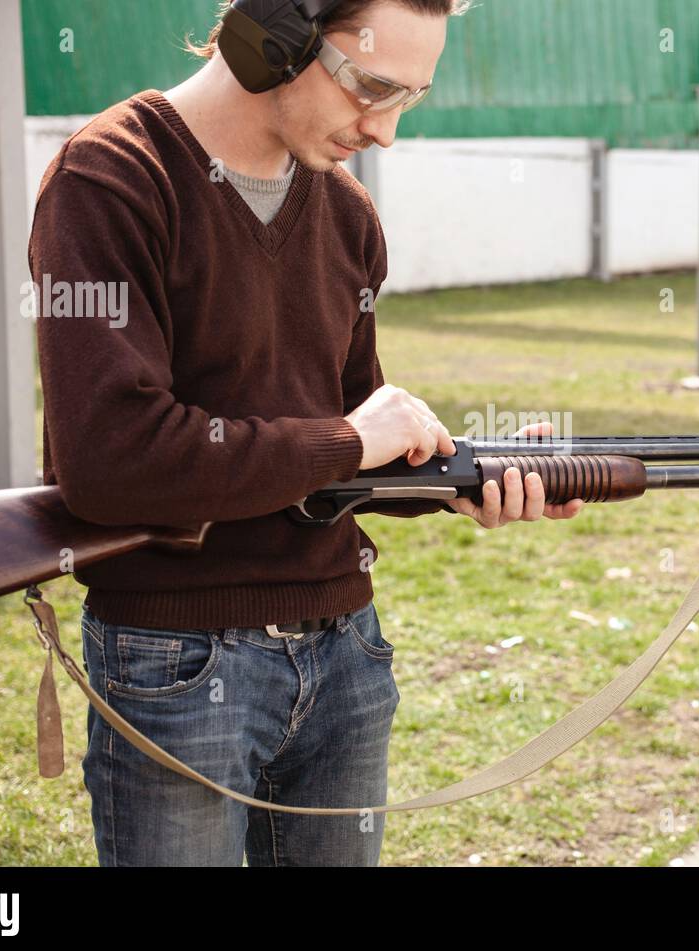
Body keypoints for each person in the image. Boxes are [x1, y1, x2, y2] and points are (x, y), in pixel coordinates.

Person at [28, 0, 581, 867]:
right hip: (176, 661)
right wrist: (353, 441)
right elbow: (114, 461)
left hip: (347, 649)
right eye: (372, 87)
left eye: (413, 99)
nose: (387, 131)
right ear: (273, 35)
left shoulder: (349, 213)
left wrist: (463, 479)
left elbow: (343, 444)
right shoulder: (112, 178)